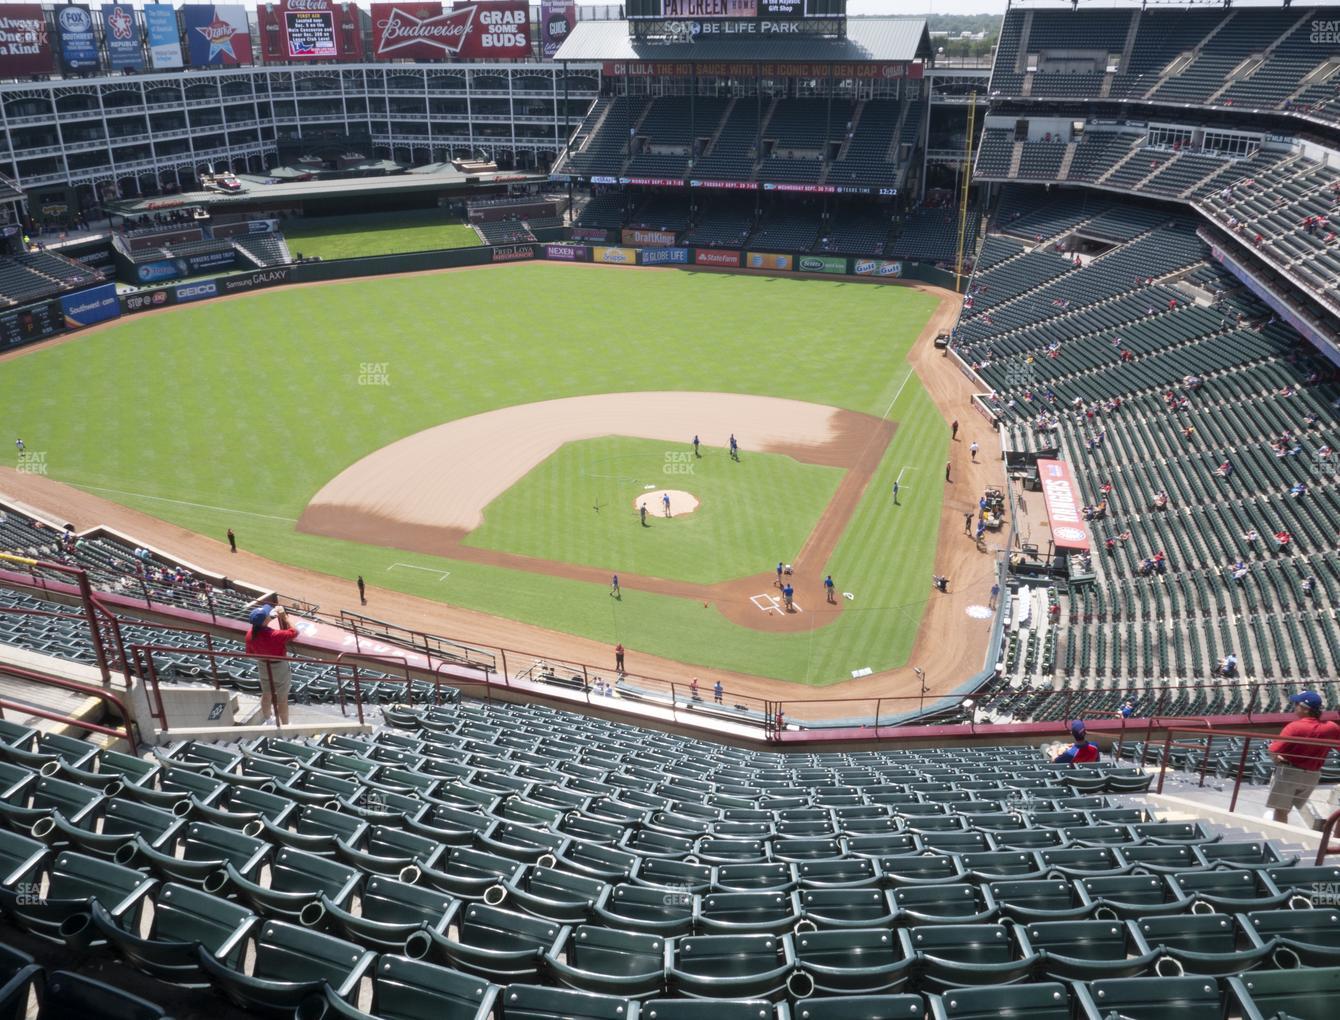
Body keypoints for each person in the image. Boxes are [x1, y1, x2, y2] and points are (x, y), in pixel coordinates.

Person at [1266, 691, 1340, 823]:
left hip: (1290, 772)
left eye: (1296, 704)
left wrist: (1276, 759)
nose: (1294, 706)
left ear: (1305, 709)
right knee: (1286, 809)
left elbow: (1273, 750)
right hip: (1312, 775)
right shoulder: (1332, 727)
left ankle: (1279, 839)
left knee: (1281, 810)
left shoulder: (1295, 727)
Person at [245, 604, 298, 726]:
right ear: (264, 621)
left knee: (266, 693)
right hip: (279, 667)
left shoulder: (250, 634)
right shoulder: (275, 635)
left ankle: (269, 720)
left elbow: (249, 654)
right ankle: (285, 725)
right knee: (282, 699)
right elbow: (295, 632)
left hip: (263, 665)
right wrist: (285, 617)